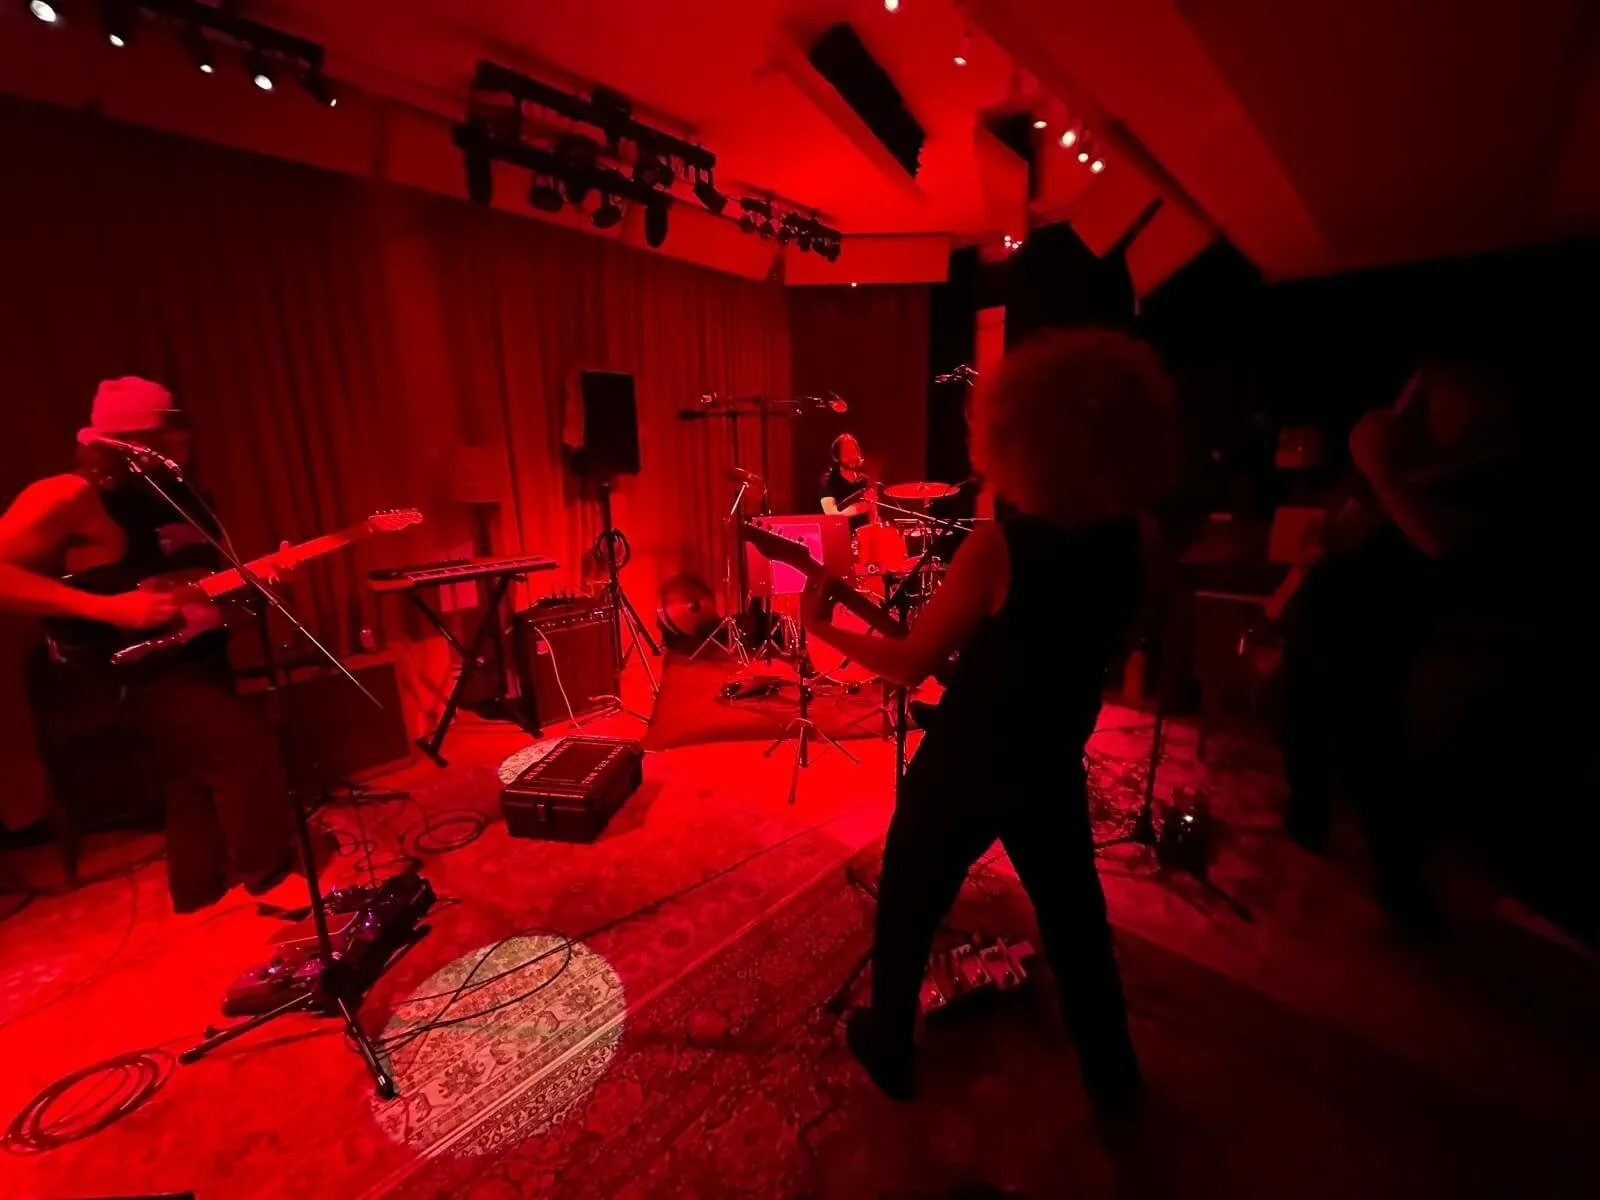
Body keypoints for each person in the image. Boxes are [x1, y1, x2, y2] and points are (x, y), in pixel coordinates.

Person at [802, 330, 1179, 1117]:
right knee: (1078, 925)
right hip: (1051, 759)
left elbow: (907, 667)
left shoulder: (998, 545)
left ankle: (893, 1050)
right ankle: (1116, 1083)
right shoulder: (1140, 538)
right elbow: (1105, 641)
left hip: (967, 761)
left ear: (1022, 434)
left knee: (909, 897)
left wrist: (824, 625)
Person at [0, 377, 296, 912]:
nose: (184, 448)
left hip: (186, 650)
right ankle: (268, 878)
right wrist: (107, 608)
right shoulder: (68, 494)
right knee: (243, 750)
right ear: (127, 443)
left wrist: (252, 578)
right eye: (169, 439)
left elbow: (184, 578)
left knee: (190, 770)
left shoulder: (165, 493)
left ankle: (197, 887)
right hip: (123, 669)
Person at [1275, 361, 1520, 920]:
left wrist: (1381, 474)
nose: (1423, 406)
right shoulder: (1409, 467)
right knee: (1300, 717)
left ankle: (1402, 885)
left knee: (1371, 745)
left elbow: (1440, 543)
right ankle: (1307, 818)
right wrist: (1327, 535)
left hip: (1379, 628)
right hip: (1329, 616)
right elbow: (1353, 528)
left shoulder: (1477, 476)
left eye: (1440, 399)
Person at [818, 433, 877, 530]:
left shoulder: (864, 480)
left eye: (854, 452)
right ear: (837, 456)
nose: (852, 456)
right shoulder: (827, 480)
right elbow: (831, 513)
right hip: (839, 536)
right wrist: (859, 508)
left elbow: (872, 515)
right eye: (847, 452)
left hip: (863, 537)